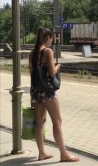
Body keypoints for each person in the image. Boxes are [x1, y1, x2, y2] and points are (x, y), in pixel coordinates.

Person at [29, 27, 80, 162]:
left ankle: (41, 153)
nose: (51, 42)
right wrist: (58, 66)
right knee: (57, 122)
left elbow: (32, 76)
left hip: (37, 92)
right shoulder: (48, 51)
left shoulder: (32, 53)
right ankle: (64, 154)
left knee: (39, 122)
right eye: (51, 39)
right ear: (47, 38)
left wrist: (32, 96)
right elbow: (52, 73)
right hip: (49, 92)